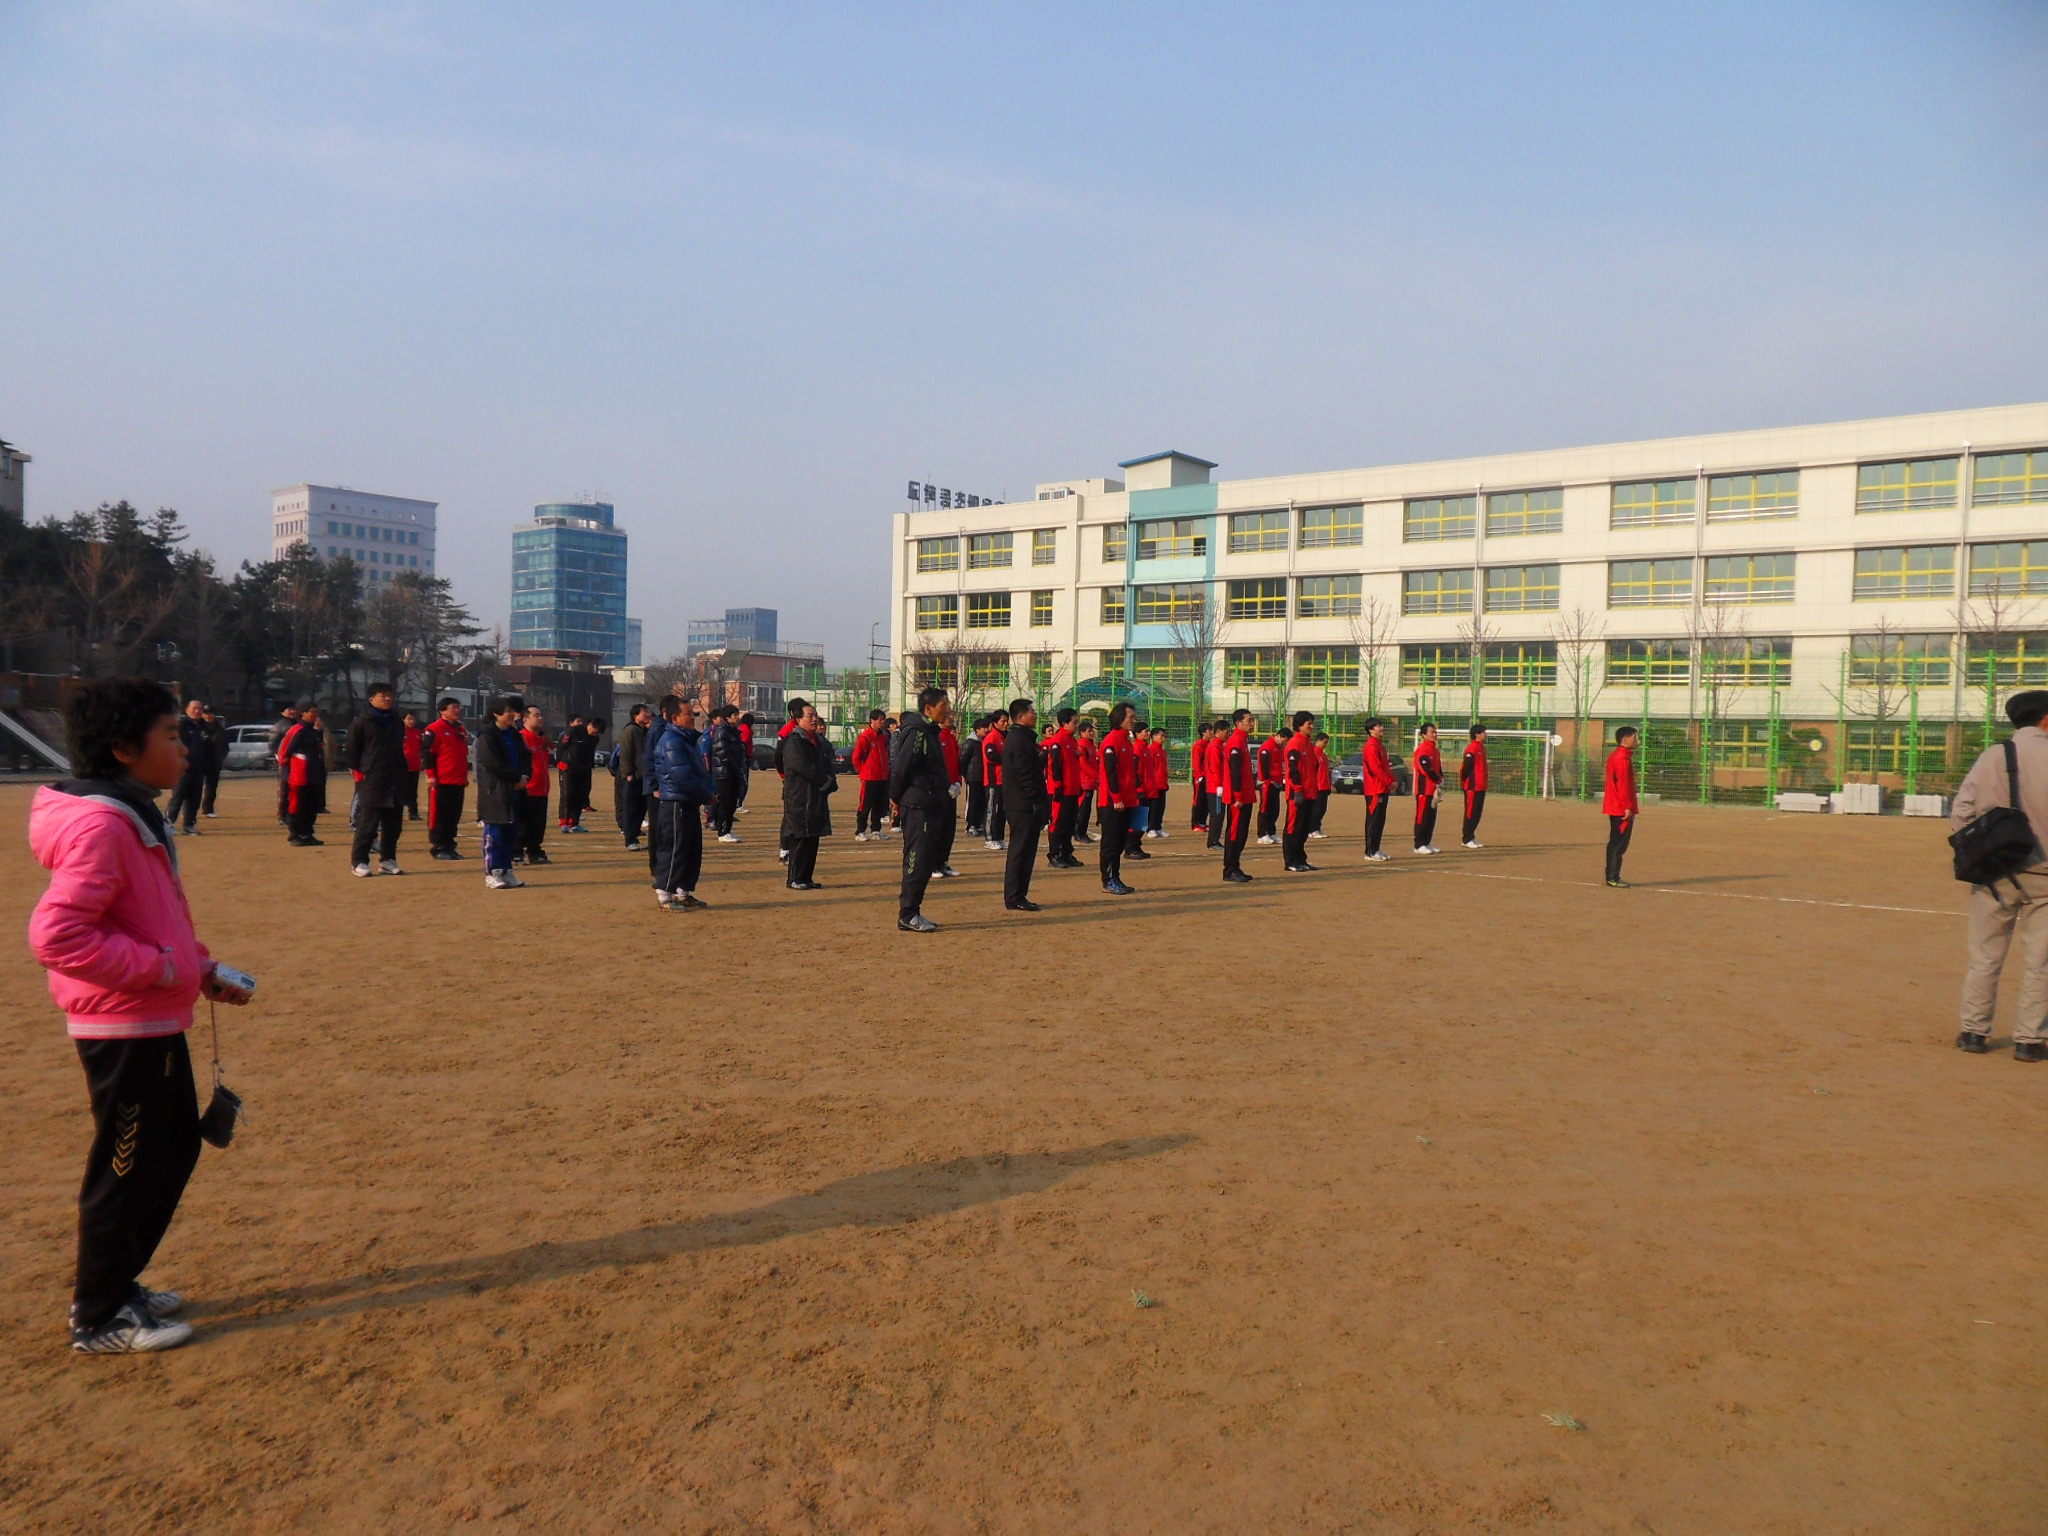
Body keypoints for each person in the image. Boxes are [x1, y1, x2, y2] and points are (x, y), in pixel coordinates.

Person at [28, 677, 256, 1354]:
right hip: (121, 1027)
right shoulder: (102, 823)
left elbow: (151, 921)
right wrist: (163, 969)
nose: (183, 748)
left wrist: (201, 969)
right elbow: (58, 936)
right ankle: (96, 1315)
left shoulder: (129, 812)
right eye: (170, 734)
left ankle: (119, 1281)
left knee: (174, 1148)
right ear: (126, 749)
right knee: (126, 1166)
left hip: (154, 1019)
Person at [1952, 690, 2048, 1059]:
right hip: (2045, 873)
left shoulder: (1994, 755)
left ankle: (1973, 1033)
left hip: (1995, 873)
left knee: (1985, 955)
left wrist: (1981, 853)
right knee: (2041, 962)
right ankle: (2030, 1040)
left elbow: (1962, 811)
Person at [891, 686, 953, 932]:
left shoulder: (930, 732)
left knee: (926, 860)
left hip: (929, 804)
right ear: (929, 708)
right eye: (943, 706)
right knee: (918, 859)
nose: (947, 710)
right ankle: (908, 913)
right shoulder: (917, 733)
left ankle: (913, 911)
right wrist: (895, 798)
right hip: (918, 806)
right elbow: (902, 768)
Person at [647, 695, 716, 910]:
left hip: (688, 803)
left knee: (690, 849)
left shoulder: (686, 740)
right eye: (688, 714)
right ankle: (664, 895)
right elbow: (683, 777)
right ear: (675, 718)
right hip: (676, 803)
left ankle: (683, 891)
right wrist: (707, 796)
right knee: (674, 849)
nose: (692, 718)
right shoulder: (671, 742)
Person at [345, 683, 409, 877]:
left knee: (393, 825)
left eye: (390, 696)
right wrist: (361, 771)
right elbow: (352, 750)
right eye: (383, 696)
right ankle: (359, 861)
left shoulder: (397, 721)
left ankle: (388, 860)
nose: (388, 699)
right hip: (373, 778)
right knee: (368, 823)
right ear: (372, 699)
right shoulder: (363, 721)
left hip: (395, 777)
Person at [475, 695, 531, 889]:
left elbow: (525, 756)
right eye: (509, 711)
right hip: (495, 792)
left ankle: (506, 871)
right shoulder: (487, 736)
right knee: (495, 833)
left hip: (515, 790)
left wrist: (524, 776)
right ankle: (492, 872)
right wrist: (515, 778)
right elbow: (492, 764)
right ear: (496, 713)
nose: (513, 715)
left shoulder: (514, 734)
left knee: (511, 833)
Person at [1001, 698, 1050, 911]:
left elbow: (1031, 769)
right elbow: (1024, 775)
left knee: (1027, 851)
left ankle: (1019, 894)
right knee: (1020, 851)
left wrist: (1042, 758)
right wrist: (1035, 801)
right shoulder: (1018, 739)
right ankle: (1014, 896)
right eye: (1032, 711)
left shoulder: (1024, 739)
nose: (1035, 714)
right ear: (1021, 717)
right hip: (1022, 805)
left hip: (1025, 803)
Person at [780, 702, 835, 890]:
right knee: (801, 837)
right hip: (800, 797)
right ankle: (795, 878)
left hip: (815, 797)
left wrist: (830, 781)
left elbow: (826, 763)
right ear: (798, 719)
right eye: (809, 716)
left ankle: (806, 877)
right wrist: (824, 781)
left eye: (815, 715)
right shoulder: (794, 741)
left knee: (813, 837)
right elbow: (804, 767)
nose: (814, 719)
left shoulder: (816, 741)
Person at [1097, 703, 1141, 894]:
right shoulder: (1111, 741)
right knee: (1111, 843)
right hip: (1113, 802)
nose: (1134, 720)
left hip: (1127, 800)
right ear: (1119, 718)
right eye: (1130, 716)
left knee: (1120, 841)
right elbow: (1110, 772)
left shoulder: (1126, 741)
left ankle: (1116, 877)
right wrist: (1116, 798)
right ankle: (1108, 880)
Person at [422, 697, 471, 860]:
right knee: (439, 815)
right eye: (453, 708)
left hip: (457, 780)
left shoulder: (460, 729)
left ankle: (450, 844)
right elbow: (427, 753)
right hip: (441, 780)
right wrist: (430, 775)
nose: (457, 711)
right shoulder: (434, 729)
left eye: (458, 708)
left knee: (454, 814)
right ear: (442, 711)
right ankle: (439, 846)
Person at [278, 703, 327, 846]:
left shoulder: (314, 731)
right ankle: (294, 835)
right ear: (303, 713)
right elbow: (284, 753)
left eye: (316, 712)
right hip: (299, 777)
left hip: (314, 776)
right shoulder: (297, 730)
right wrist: (289, 772)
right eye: (311, 712)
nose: (314, 715)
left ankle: (307, 833)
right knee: (297, 806)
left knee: (312, 806)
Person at [1043, 706, 1083, 870]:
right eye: (1074, 722)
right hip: (1061, 790)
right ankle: (1054, 854)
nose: (1076, 725)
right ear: (1064, 723)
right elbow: (1055, 766)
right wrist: (1058, 787)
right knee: (1058, 822)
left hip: (1072, 788)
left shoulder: (1071, 740)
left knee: (1070, 822)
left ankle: (1067, 852)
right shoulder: (1057, 742)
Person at [1219, 709, 1257, 884]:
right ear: (1238, 723)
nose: (1252, 723)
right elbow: (1235, 772)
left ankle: (1235, 866)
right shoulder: (1235, 741)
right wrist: (1238, 796)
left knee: (1241, 833)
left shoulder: (1242, 741)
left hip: (1246, 796)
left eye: (1251, 720)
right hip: (1238, 798)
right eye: (1248, 720)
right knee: (1234, 833)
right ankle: (1230, 869)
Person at [1282, 711, 1319, 872]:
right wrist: (1297, 791)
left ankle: (1300, 859)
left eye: (1311, 723)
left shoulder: (1308, 744)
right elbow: (1293, 770)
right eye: (1308, 723)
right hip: (1297, 795)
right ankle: (1290, 861)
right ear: (1299, 726)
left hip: (1309, 793)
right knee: (1293, 828)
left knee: (1304, 828)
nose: (1311, 726)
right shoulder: (1295, 744)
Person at [1603, 725, 1640, 888]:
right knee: (1618, 844)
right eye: (1635, 737)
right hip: (1620, 808)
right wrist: (1627, 807)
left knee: (1617, 843)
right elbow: (1622, 785)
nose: (1637, 741)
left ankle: (1613, 876)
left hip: (1617, 806)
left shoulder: (1617, 756)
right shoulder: (1622, 759)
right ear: (1625, 739)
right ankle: (1612, 877)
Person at [165, 700, 209, 835]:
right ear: (187, 710)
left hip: (198, 769)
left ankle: (189, 825)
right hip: (182, 769)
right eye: (194, 708)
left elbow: (209, 748)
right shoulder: (181, 726)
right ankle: (169, 823)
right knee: (178, 796)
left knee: (194, 799)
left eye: (200, 709)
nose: (197, 711)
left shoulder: (204, 727)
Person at [516, 706, 553, 866]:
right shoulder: (521, 738)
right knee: (523, 823)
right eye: (536, 715)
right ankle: (516, 851)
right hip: (527, 788)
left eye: (540, 714)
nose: (540, 718)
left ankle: (534, 851)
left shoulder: (542, 739)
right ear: (525, 719)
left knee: (538, 824)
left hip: (542, 789)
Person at [706, 704, 747, 843]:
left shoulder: (734, 731)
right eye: (734, 715)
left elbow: (739, 752)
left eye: (737, 714)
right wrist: (735, 769)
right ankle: (722, 831)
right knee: (725, 803)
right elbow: (723, 753)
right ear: (727, 718)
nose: (737, 717)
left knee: (732, 803)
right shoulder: (721, 732)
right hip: (724, 774)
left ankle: (727, 829)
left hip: (733, 772)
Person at [615, 702, 651, 851]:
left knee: (640, 807)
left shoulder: (641, 731)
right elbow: (625, 753)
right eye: (644, 712)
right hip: (632, 777)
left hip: (642, 777)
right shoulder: (630, 730)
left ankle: (635, 835)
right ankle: (630, 839)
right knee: (631, 808)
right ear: (636, 715)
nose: (647, 714)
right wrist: (629, 773)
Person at [852, 709, 893, 840]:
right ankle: (860, 831)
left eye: (883, 720)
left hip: (882, 777)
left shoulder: (883, 736)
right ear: (872, 721)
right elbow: (856, 757)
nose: (882, 723)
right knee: (865, 805)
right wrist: (863, 772)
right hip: (869, 777)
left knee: (879, 805)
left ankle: (876, 830)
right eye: (880, 720)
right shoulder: (865, 737)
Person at [933, 710, 964, 878]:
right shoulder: (935, 738)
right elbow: (936, 767)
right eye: (947, 714)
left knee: (948, 828)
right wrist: (944, 785)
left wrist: (958, 782)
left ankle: (943, 862)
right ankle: (933, 864)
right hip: (939, 790)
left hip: (952, 790)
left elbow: (956, 763)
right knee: (937, 828)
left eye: (952, 714)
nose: (950, 717)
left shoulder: (951, 737)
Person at [558, 718, 602, 832]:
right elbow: (561, 747)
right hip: (568, 768)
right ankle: (564, 822)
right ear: (590, 725)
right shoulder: (574, 731)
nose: (595, 733)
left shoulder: (594, 738)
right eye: (595, 730)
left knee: (580, 796)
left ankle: (574, 823)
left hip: (583, 770)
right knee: (568, 795)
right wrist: (560, 762)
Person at [1361, 717, 1395, 862]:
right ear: (1370, 730)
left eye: (1381, 725)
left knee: (1380, 820)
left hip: (1383, 788)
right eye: (1378, 726)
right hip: (1375, 789)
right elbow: (1375, 769)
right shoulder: (1371, 746)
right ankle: (1370, 851)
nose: (1381, 728)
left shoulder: (1380, 745)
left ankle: (1376, 848)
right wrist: (1389, 782)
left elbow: (1385, 767)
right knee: (1373, 820)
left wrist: (1392, 781)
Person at [266, 699, 303, 825]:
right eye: (289, 710)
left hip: (298, 761)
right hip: (285, 761)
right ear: (283, 712)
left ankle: (294, 813)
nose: (292, 712)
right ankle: (282, 815)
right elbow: (272, 744)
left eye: (294, 709)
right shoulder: (279, 726)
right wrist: (278, 756)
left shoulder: (299, 724)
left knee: (297, 789)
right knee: (284, 788)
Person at [1412, 722, 1444, 855]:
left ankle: (1426, 842)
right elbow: (1425, 769)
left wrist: (1441, 780)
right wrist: (1437, 779)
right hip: (1423, 789)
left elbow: (1438, 768)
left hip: (1433, 789)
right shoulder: (1422, 749)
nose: (1435, 734)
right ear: (1424, 735)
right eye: (1432, 732)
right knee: (1422, 816)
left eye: (1435, 732)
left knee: (1431, 817)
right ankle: (1418, 844)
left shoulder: (1435, 750)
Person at [981, 709, 1010, 850]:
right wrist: (1007, 760)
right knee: (992, 810)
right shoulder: (991, 738)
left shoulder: (1005, 737)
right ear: (994, 723)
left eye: (1007, 721)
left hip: (1004, 780)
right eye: (1002, 721)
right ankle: (990, 838)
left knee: (1001, 812)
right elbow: (990, 756)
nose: (1006, 724)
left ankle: (998, 837)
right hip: (993, 780)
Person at [1460, 724, 1489, 848]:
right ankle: (1466, 838)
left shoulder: (1481, 747)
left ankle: (1471, 836)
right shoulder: (1472, 748)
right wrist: (1465, 781)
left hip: (1481, 786)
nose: (1485, 734)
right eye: (1483, 732)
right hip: (1472, 786)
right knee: (1470, 812)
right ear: (1477, 734)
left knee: (1477, 812)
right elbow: (1466, 767)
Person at [1256, 723, 1285, 844]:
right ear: (1278, 736)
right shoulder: (1267, 747)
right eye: (1283, 740)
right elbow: (1263, 764)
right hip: (1268, 782)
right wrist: (1266, 779)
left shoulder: (1279, 748)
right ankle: (1262, 834)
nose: (1284, 743)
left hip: (1277, 782)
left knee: (1275, 809)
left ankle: (1271, 832)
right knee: (1265, 808)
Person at [199, 705, 229, 820]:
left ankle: (208, 809)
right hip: (199, 761)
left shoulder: (220, 728)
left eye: (210, 712)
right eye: (205, 712)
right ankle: (189, 811)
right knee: (194, 788)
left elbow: (225, 745)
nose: (208, 715)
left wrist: (221, 756)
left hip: (214, 762)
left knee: (212, 787)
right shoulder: (198, 726)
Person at [962, 714, 988, 838]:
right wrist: (966, 775)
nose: (986, 730)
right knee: (972, 802)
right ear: (976, 730)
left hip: (984, 777)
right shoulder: (970, 743)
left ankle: (978, 824)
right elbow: (963, 760)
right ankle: (970, 825)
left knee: (982, 802)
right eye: (983, 728)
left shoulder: (984, 742)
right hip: (973, 777)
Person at [1074, 716, 1100, 842]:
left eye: (1092, 730)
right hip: (1084, 782)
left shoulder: (1090, 745)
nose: (1092, 732)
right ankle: (1079, 833)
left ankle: (1082, 833)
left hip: (1090, 782)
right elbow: (1083, 765)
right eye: (1089, 731)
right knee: (1082, 810)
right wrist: (1097, 777)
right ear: (1082, 733)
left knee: (1087, 809)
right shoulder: (1081, 746)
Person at [1143, 726, 1170, 839]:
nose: (1163, 738)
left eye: (1164, 736)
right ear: (1154, 737)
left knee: (1161, 806)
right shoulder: (1151, 750)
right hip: (1154, 784)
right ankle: (1151, 828)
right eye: (1161, 736)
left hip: (1162, 783)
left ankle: (1158, 827)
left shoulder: (1162, 751)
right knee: (1153, 807)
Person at [1190, 721, 1214, 837]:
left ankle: (1203, 822)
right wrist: (1199, 776)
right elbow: (1196, 762)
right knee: (1198, 800)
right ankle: (1195, 823)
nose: (1211, 732)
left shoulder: (1210, 744)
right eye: (1210, 730)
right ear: (1204, 732)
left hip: (1208, 777)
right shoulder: (1199, 745)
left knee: (1206, 800)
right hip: (1200, 777)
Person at [399, 710, 424, 821]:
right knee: (400, 791)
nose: (411, 721)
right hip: (402, 767)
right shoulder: (399, 733)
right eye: (409, 719)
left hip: (415, 766)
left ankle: (413, 813)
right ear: (403, 720)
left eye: (413, 719)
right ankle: (397, 813)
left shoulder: (418, 733)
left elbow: (421, 749)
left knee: (413, 791)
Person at [1308, 730, 1332, 839]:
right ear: (1318, 741)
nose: (1326, 744)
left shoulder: (1324, 755)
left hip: (1324, 786)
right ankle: (1312, 829)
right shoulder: (1313, 753)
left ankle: (1317, 827)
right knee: (1316, 809)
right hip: (1317, 786)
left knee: (1322, 809)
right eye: (1325, 742)